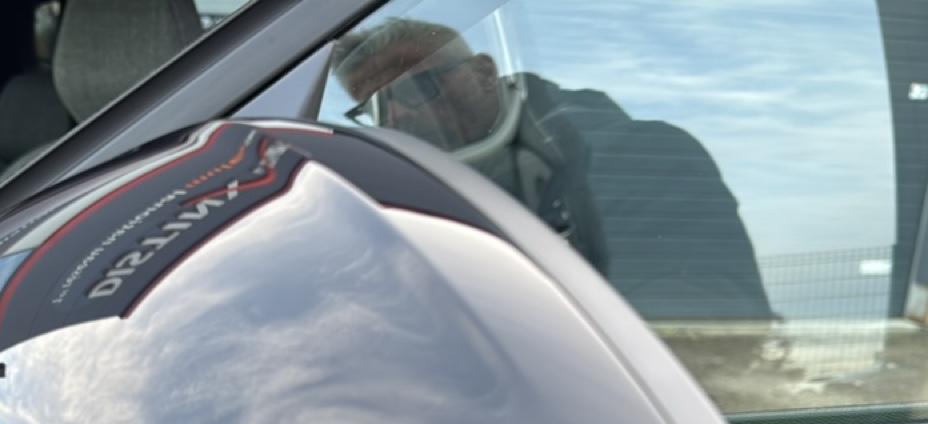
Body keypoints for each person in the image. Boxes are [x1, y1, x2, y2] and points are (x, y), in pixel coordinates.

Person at [331, 16, 775, 323]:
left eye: (415, 86)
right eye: (374, 107)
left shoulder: (639, 156)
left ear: (483, 73)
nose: (397, 115)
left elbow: (697, 335)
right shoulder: (418, 201)